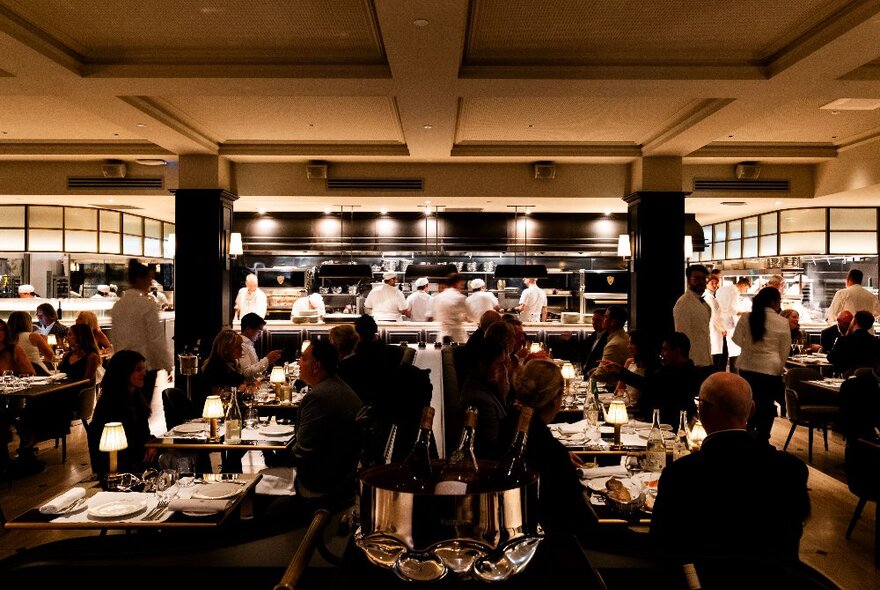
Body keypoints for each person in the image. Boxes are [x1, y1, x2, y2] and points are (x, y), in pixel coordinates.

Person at [651, 372, 810, 563]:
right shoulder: (791, 470)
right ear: (751, 410)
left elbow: (661, 546)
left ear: (701, 410)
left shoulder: (679, 475)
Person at [498, 358, 594, 540]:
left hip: (509, 531)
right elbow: (581, 520)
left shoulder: (508, 423)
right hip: (553, 545)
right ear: (555, 397)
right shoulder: (549, 451)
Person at [290, 339, 362, 498]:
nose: (299, 363)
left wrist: (273, 456)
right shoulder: (336, 385)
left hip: (320, 481)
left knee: (260, 477)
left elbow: (301, 452)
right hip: (340, 473)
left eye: (303, 359)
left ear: (316, 366)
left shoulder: (318, 397)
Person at [732, 287, 791, 441]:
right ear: (773, 302)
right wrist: (780, 366)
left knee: (749, 401)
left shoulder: (746, 317)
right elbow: (784, 350)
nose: (779, 304)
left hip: (747, 366)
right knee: (766, 404)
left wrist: (749, 347)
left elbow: (735, 339)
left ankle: (748, 430)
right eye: (779, 301)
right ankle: (763, 437)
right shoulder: (782, 321)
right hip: (770, 368)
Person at [110, 259, 172, 404]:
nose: (151, 283)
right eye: (149, 279)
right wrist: (167, 365)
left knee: (127, 408)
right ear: (139, 279)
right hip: (143, 366)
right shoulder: (147, 305)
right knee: (142, 409)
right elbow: (156, 338)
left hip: (122, 366)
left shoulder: (118, 305)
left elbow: (115, 339)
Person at [88, 350, 158, 477]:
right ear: (124, 372)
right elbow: (123, 446)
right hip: (123, 470)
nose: (144, 373)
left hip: (139, 461)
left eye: (143, 369)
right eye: (138, 369)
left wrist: (152, 444)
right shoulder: (110, 403)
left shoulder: (135, 397)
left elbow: (144, 433)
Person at [460, 339, 510, 458]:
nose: (504, 369)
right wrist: (503, 396)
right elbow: (494, 448)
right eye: (499, 364)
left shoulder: (480, 385)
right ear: (481, 365)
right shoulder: (479, 400)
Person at [673, 264, 713, 382]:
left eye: (703, 278)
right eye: (697, 278)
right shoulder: (683, 303)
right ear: (688, 280)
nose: (701, 281)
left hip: (706, 359)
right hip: (694, 362)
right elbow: (682, 335)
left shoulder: (704, 303)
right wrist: (688, 361)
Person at [587, 305, 630, 389]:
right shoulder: (624, 336)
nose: (603, 319)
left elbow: (600, 375)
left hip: (614, 388)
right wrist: (596, 369)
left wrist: (589, 376)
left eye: (606, 317)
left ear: (613, 322)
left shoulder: (614, 344)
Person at [826, 310, 880, 376]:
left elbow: (831, 358)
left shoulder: (844, 340)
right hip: (870, 380)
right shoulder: (876, 341)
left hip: (846, 378)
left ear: (854, 321)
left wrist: (847, 333)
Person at [715, 277, 752, 373]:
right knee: (734, 351)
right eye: (746, 288)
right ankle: (734, 374)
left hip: (720, 322)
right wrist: (745, 313)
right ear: (743, 285)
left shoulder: (722, 289)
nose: (745, 291)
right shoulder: (735, 292)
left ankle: (721, 373)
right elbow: (732, 310)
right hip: (729, 324)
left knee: (723, 351)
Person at [199, 329, 246, 403]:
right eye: (237, 347)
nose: (241, 349)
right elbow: (217, 396)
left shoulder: (232, 363)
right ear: (225, 349)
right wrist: (240, 390)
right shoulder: (215, 367)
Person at [7, 310, 54, 375]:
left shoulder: (7, 338)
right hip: (38, 372)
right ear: (27, 322)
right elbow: (51, 356)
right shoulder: (33, 336)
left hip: (15, 374)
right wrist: (45, 341)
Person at [238, 313, 282, 379]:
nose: (260, 335)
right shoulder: (241, 345)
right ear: (248, 329)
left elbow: (254, 370)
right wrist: (267, 359)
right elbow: (246, 373)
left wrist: (268, 361)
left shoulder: (249, 344)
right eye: (258, 332)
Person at [432, 273, 469, 344]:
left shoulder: (438, 297)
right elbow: (468, 316)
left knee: (444, 353)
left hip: (442, 335)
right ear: (456, 283)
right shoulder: (460, 298)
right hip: (457, 336)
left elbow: (435, 316)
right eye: (461, 284)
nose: (462, 287)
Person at [706, 272, 728, 372]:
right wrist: (723, 329)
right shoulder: (708, 297)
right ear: (707, 284)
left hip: (716, 331)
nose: (715, 285)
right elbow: (714, 316)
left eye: (716, 283)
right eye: (712, 283)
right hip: (714, 330)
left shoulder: (712, 297)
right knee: (715, 361)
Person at [580, 308, 607, 374]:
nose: (594, 323)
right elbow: (582, 347)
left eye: (598, 320)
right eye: (593, 320)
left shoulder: (608, 337)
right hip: (587, 373)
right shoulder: (595, 334)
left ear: (605, 321)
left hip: (598, 375)